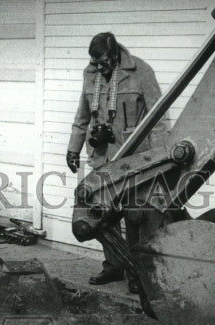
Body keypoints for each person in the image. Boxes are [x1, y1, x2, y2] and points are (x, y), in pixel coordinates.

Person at [66, 32, 169, 293]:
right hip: (102, 157)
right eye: (94, 63)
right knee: (104, 215)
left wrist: (159, 160)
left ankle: (139, 273)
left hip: (133, 159)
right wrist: (73, 149)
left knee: (136, 216)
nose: (98, 68)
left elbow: (158, 116)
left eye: (103, 63)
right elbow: (82, 116)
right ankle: (114, 267)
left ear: (114, 56)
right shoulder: (90, 74)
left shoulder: (141, 71)